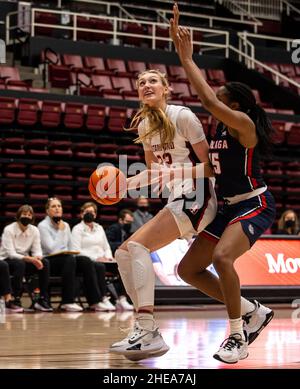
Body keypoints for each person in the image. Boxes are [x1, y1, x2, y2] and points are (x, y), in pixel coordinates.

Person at [169, 4, 276, 364]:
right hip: (226, 206)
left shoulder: (243, 124)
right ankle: (252, 310)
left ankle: (237, 335)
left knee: (222, 257)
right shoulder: (217, 128)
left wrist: (186, 58)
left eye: (221, 96)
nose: (215, 98)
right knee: (187, 270)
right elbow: (213, 171)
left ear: (233, 103)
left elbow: (207, 99)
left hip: (254, 203)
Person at [109, 67, 218, 361]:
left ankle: (147, 330)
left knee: (136, 246)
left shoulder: (182, 116)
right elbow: (155, 172)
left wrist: (178, 174)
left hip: (199, 195)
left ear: (166, 88)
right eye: (141, 82)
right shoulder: (145, 124)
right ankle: (250, 311)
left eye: (153, 80)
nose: (146, 85)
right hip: (177, 198)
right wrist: (124, 185)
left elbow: (211, 166)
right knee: (123, 254)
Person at [38, 197, 107, 312]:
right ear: (47, 211)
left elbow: (70, 247)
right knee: (69, 259)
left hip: (67, 259)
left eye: (59, 206)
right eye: (53, 206)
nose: (57, 209)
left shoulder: (65, 225)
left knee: (85, 260)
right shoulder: (42, 226)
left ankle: (95, 301)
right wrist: (60, 231)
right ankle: (67, 301)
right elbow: (51, 249)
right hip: (50, 261)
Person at [71, 202, 133, 311]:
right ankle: (103, 298)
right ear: (82, 214)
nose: (90, 214)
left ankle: (122, 299)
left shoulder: (99, 228)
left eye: (92, 212)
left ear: (95, 215)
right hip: (89, 260)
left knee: (123, 266)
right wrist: (96, 258)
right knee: (100, 267)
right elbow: (76, 250)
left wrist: (109, 257)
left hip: (104, 259)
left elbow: (106, 246)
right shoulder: (77, 229)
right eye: (87, 212)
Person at [0, 205, 52, 312]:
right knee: (20, 264)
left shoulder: (35, 230)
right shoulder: (9, 229)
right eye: (24, 214)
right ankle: (16, 299)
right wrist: (30, 259)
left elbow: (37, 250)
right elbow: (11, 253)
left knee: (45, 263)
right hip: (6, 259)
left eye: (29, 215)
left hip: (24, 260)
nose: (27, 217)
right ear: (18, 216)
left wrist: (38, 258)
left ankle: (41, 299)